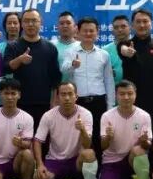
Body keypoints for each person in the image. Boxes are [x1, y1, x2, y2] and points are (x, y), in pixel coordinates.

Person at [33, 81, 98, 179]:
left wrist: (82, 129)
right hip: (55, 160)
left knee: (89, 154)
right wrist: (40, 164)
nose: (67, 98)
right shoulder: (48, 116)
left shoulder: (86, 114)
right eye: (63, 94)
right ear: (58, 97)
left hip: (76, 160)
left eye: (70, 94)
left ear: (76, 96)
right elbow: (37, 141)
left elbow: (87, 144)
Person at [62, 17, 115, 153]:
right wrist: (73, 65)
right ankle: (78, 166)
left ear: (97, 33)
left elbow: (109, 81)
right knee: (77, 137)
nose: (88, 34)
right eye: (85, 31)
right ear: (78, 32)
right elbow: (64, 70)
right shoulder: (70, 51)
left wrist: (110, 106)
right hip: (78, 102)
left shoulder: (104, 55)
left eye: (92, 31)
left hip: (98, 102)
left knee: (97, 138)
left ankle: (97, 166)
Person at [3, 8, 62, 128]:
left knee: (42, 137)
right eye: (26, 21)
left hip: (44, 104)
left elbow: (55, 78)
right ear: (22, 24)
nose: (30, 24)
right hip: (18, 103)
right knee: (20, 137)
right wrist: (19, 60)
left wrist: (53, 103)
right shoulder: (13, 46)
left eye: (34, 20)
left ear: (40, 22)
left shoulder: (50, 48)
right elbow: (6, 68)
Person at [118, 9, 153, 136]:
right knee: (131, 137)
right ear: (132, 25)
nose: (142, 25)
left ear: (151, 24)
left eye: (145, 21)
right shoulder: (126, 44)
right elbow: (122, 49)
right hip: (131, 101)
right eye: (138, 22)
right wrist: (127, 51)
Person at [98, 80, 153, 179]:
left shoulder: (144, 116)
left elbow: (148, 146)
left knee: (139, 150)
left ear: (135, 94)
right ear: (116, 95)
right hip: (112, 161)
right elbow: (103, 146)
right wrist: (108, 137)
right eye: (122, 94)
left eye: (130, 93)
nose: (126, 97)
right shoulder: (107, 116)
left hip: (132, 159)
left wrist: (144, 141)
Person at [103, 15, 130, 84]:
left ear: (130, 27)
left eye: (123, 26)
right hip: (113, 89)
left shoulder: (137, 47)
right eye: (116, 27)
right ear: (112, 30)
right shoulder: (105, 51)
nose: (120, 30)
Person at [53, 11, 79, 81]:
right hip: (56, 86)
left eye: (68, 23)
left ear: (75, 27)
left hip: (77, 87)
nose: (65, 26)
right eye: (61, 23)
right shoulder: (51, 46)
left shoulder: (81, 46)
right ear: (57, 27)